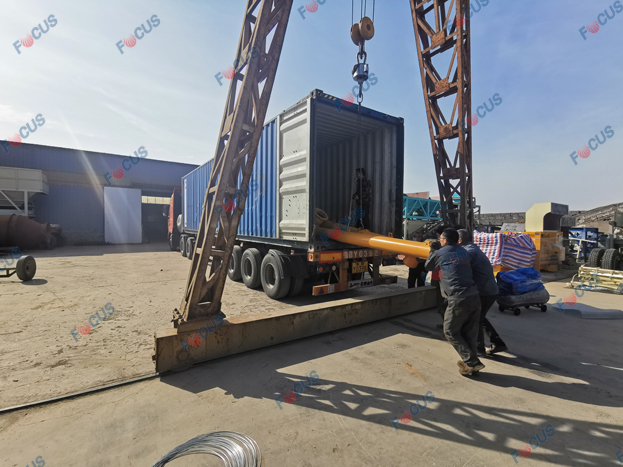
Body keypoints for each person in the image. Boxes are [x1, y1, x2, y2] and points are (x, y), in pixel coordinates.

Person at [425, 228, 484, 376]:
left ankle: (472, 362)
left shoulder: (440, 253)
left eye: (440, 239)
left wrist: (433, 251)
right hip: (474, 296)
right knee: (469, 333)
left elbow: (428, 266)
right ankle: (470, 365)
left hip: (458, 298)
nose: (440, 241)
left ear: (444, 240)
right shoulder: (463, 251)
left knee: (450, 331)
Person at [458, 229, 508, 356]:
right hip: (489, 290)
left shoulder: (467, 252)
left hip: (484, 291)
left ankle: (479, 348)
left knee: (475, 319)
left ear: (459, 240)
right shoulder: (472, 248)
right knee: (480, 317)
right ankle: (497, 342)